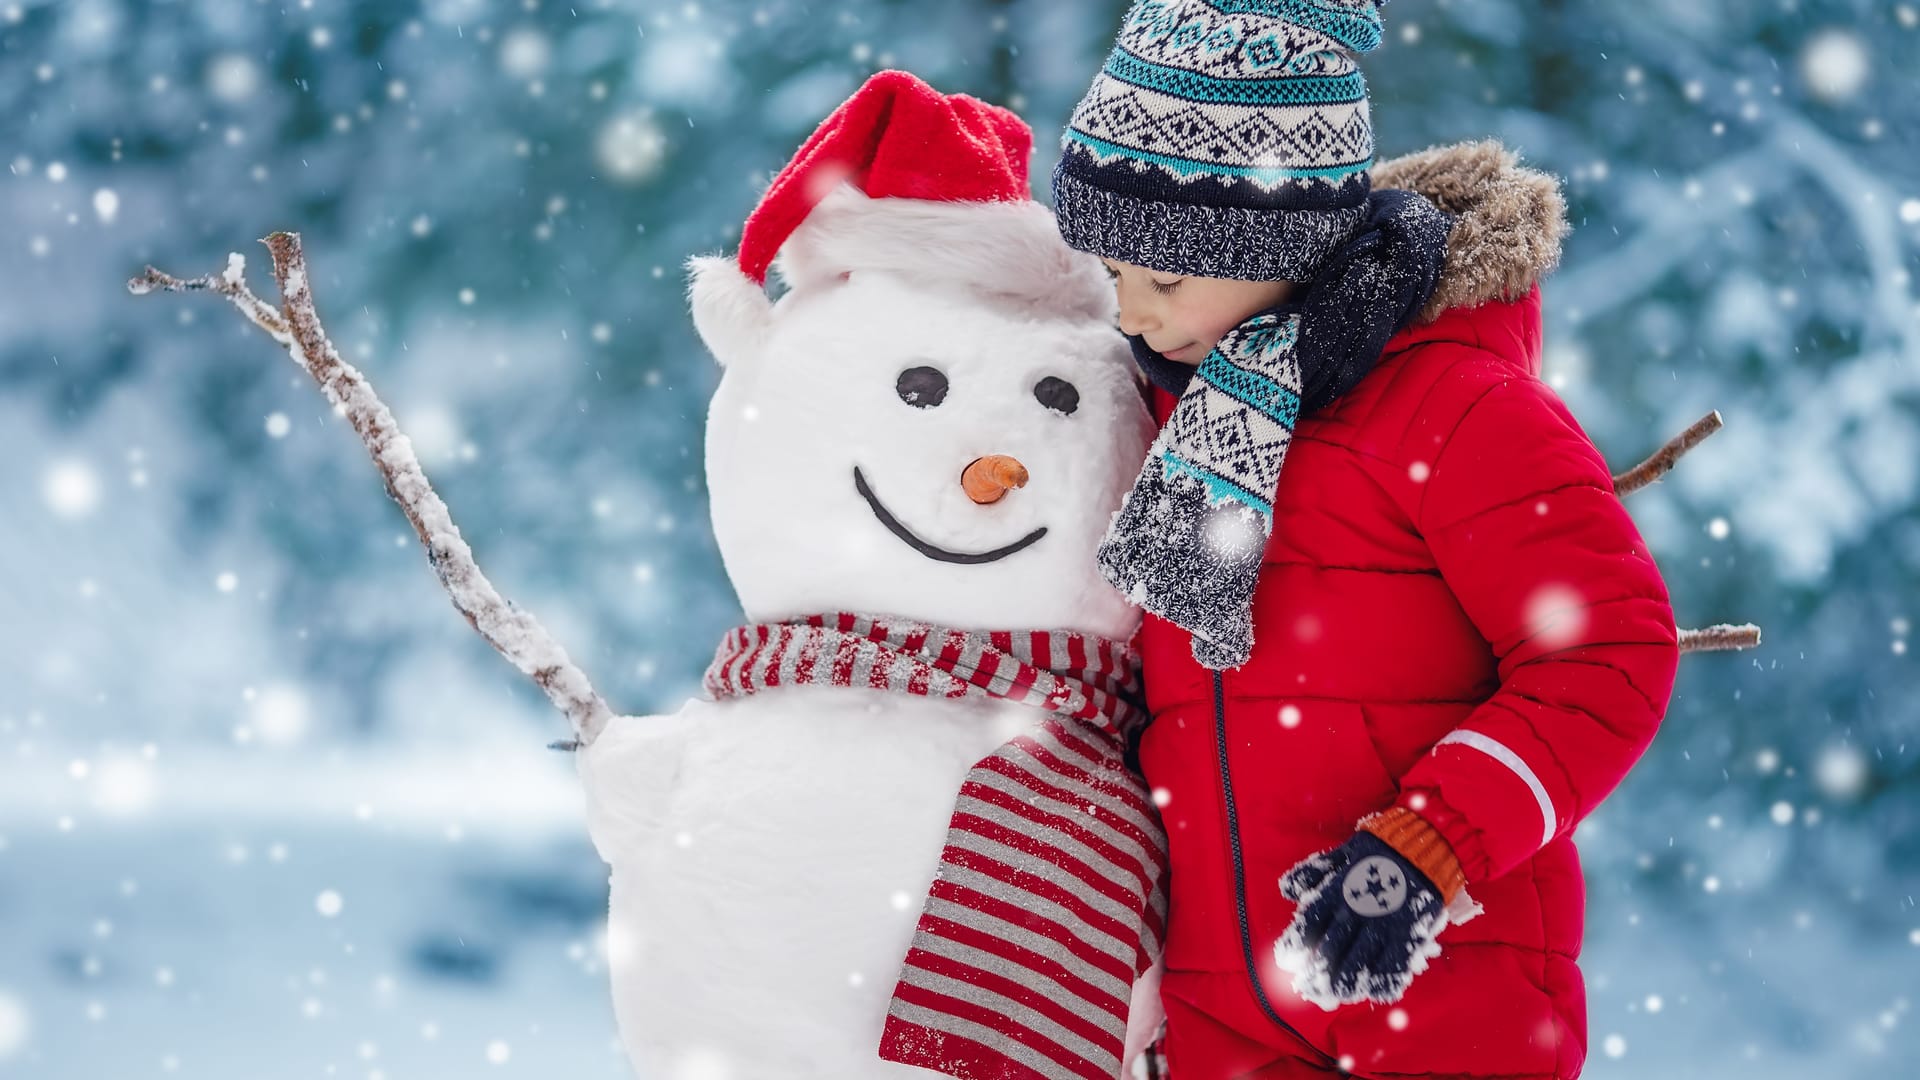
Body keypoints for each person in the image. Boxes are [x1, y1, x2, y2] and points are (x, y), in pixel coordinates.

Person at [1049, 2, 1681, 1077]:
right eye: (1112, 277)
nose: (1134, 316)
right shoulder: (1177, 420)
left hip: (1442, 973)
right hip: (1221, 1002)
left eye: (1165, 280)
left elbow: (1608, 650)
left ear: (1283, 241)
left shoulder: (1454, 405)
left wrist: (1438, 842)